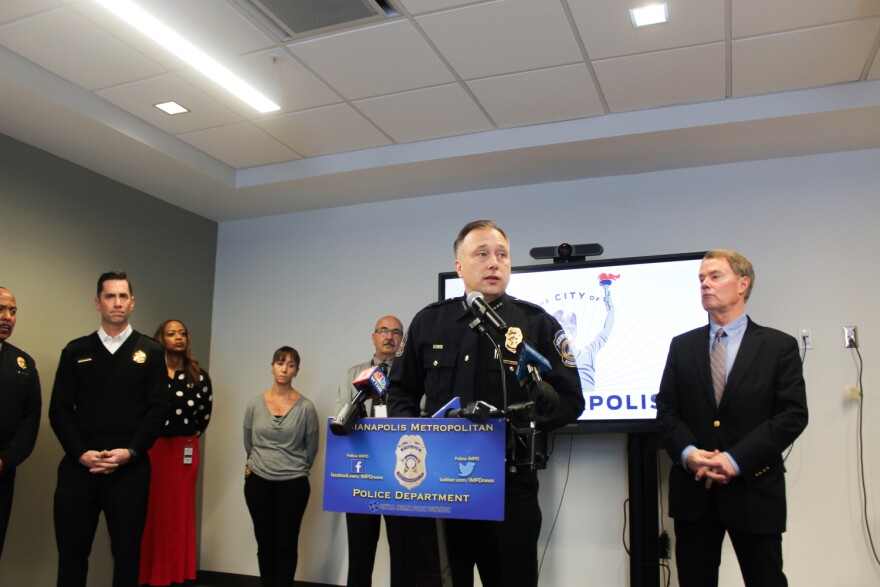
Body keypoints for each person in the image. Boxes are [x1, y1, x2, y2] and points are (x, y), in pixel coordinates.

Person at [387, 220, 584, 587]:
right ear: (459, 266)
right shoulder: (429, 322)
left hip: (509, 485)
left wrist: (534, 411)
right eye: (482, 254)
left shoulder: (536, 324)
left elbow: (572, 400)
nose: (494, 262)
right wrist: (415, 437)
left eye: (502, 255)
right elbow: (400, 390)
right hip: (440, 483)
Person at [655, 250, 808, 587]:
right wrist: (688, 454)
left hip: (754, 489)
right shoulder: (682, 346)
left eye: (715, 276)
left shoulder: (778, 346)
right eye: (701, 279)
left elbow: (792, 415)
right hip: (694, 492)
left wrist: (735, 460)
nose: (705, 284)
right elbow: (666, 410)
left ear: (742, 284)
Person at [49, 270, 166, 587]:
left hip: (129, 471)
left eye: (123, 296)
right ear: (97, 302)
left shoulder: (152, 352)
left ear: (132, 303)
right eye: (110, 296)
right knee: (71, 556)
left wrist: (130, 452)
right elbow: (59, 410)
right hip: (80, 469)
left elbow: (158, 410)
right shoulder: (75, 351)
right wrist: (80, 453)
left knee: (127, 558)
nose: (117, 302)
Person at [337, 315, 411, 587]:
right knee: (360, 551)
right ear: (374, 337)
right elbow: (340, 417)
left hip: (401, 475)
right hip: (362, 473)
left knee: (404, 553)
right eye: (383, 331)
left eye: (396, 332)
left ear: (402, 341)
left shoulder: (410, 376)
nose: (389, 337)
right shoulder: (353, 374)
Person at [139, 319, 213, 586]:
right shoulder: (149, 373)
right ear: (161, 339)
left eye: (182, 333)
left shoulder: (199, 376)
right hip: (153, 449)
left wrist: (185, 438)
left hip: (184, 450)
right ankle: (149, 575)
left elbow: (203, 417)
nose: (178, 337)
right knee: (151, 511)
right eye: (171, 334)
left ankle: (177, 574)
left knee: (180, 512)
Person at [243, 346, 319, 587]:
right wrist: (258, 466)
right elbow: (248, 443)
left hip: (293, 483)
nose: (284, 369)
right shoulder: (254, 405)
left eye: (290, 365)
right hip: (258, 482)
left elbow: (311, 449)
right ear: (271, 367)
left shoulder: (306, 408)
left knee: (287, 544)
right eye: (280, 363)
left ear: (297, 371)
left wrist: (292, 468)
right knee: (265, 543)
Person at [0, 287, 41, 558]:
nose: (7, 317)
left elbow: (29, 421)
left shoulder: (22, 364)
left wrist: (5, 461)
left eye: (13, 311)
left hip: (2, 473)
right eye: (1, 309)